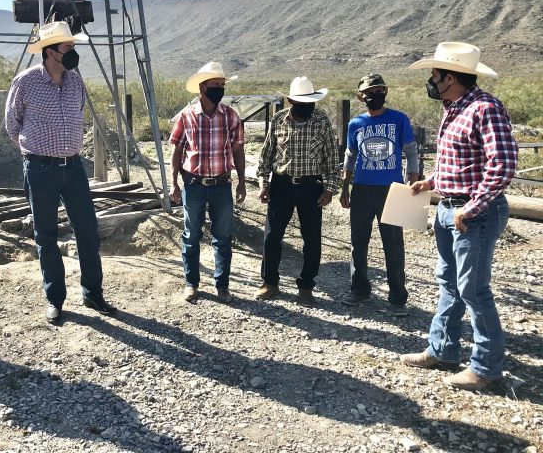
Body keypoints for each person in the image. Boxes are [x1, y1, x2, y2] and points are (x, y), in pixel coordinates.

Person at [401, 42, 517, 390]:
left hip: (472, 213)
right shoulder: (454, 108)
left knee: (473, 289)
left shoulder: (485, 108)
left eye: (435, 76)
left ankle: (486, 367)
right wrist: (431, 181)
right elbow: (459, 162)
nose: (432, 82)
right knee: (449, 281)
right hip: (451, 207)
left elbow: (503, 165)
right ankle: (443, 349)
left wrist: (472, 206)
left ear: (449, 78)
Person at [5, 21, 116, 324]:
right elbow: (13, 125)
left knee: (88, 232)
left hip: (74, 166)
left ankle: (93, 294)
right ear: (50, 52)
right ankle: (55, 299)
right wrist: (34, 153)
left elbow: (78, 114)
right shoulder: (25, 82)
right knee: (46, 235)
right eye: (68, 48)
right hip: (40, 169)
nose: (73, 52)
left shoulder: (76, 80)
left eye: (73, 47)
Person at [339, 73, 419, 315]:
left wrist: (412, 184)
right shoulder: (356, 124)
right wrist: (345, 187)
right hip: (362, 189)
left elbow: (411, 152)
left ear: (385, 92)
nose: (375, 95)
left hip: (391, 190)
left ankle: (397, 299)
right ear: (361, 96)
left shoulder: (398, 119)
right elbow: (350, 156)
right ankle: (359, 289)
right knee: (358, 242)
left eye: (379, 91)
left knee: (393, 245)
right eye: (369, 92)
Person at [255, 77, 339, 306]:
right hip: (281, 185)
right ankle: (270, 283)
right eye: (302, 102)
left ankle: (306, 286)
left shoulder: (321, 122)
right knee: (272, 236)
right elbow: (266, 155)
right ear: (290, 100)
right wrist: (264, 184)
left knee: (311, 239)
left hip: (311, 186)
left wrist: (330, 189)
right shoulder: (278, 120)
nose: (307, 106)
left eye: (310, 101)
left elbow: (332, 159)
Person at [169, 61, 246, 304]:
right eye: (216, 85)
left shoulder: (231, 116)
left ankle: (222, 286)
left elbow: (238, 151)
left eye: (222, 85)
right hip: (193, 184)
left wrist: (242, 181)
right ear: (202, 87)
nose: (220, 89)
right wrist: (173, 182)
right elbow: (177, 150)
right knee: (191, 235)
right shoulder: (187, 116)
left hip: (222, 184)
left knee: (223, 237)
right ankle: (191, 284)